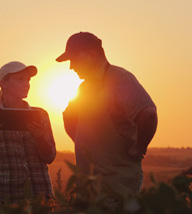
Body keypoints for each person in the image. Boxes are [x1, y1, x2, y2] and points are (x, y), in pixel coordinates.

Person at [56, 32, 158, 195]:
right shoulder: (84, 88)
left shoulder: (120, 79)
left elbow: (148, 114)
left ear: (91, 55)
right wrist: (82, 143)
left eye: (74, 59)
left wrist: (139, 148)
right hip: (88, 185)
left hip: (117, 185)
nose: (71, 66)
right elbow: (69, 118)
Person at [0, 61, 56, 202]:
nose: (26, 84)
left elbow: (50, 157)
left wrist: (40, 138)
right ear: (4, 83)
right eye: (20, 79)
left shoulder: (41, 115)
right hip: (3, 195)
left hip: (39, 194)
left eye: (28, 80)